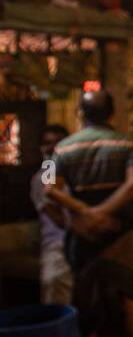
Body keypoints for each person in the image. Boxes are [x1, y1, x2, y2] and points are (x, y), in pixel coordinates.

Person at [44, 91, 133, 337]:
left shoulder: (63, 148)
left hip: (82, 230)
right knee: (129, 294)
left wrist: (86, 212)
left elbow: (49, 190)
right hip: (119, 229)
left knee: (85, 295)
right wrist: (104, 211)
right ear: (112, 113)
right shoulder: (129, 145)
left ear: (81, 114)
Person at [29, 123, 72, 305]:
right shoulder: (46, 174)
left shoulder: (72, 172)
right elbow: (58, 217)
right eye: (47, 143)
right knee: (55, 283)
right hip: (58, 245)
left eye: (57, 142)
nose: (51, 147)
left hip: (79, 241)